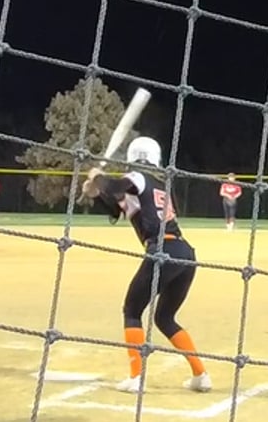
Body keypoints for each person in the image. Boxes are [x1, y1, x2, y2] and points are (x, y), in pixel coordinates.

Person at [83, 136, 212, 394]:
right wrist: (96, 194)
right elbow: (116, 209)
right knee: (164, 318)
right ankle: (201, 375)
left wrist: (98, 177)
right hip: (184, 254)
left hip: (162, 251)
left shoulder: (138, 178)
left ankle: (136, 378)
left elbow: (116, 185)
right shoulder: (158, 185)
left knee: (132, 310)